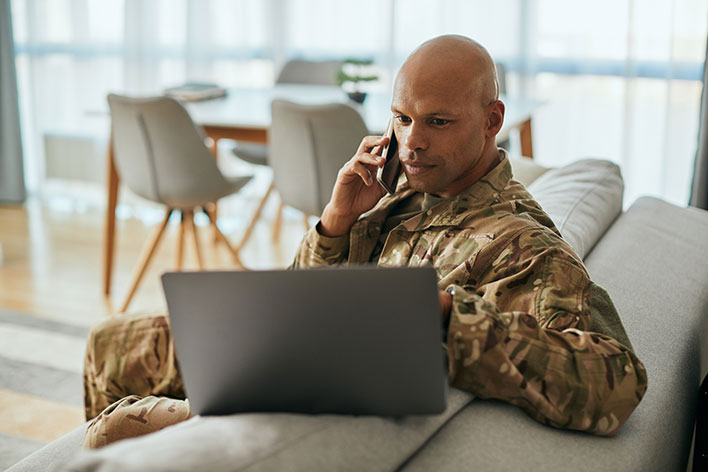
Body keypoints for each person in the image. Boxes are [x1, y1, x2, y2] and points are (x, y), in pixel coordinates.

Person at [82, 35, 647, 449]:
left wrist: (448, 317)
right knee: (108, 342)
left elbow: (615, 384)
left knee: (111, 423)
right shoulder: (401, 195)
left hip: (306, 392)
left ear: (491, 118)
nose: (413, 142)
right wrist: (335, 225)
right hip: (292, 346)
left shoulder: (523, 245)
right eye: (401, 118)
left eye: (438, 122)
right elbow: (301, 297)